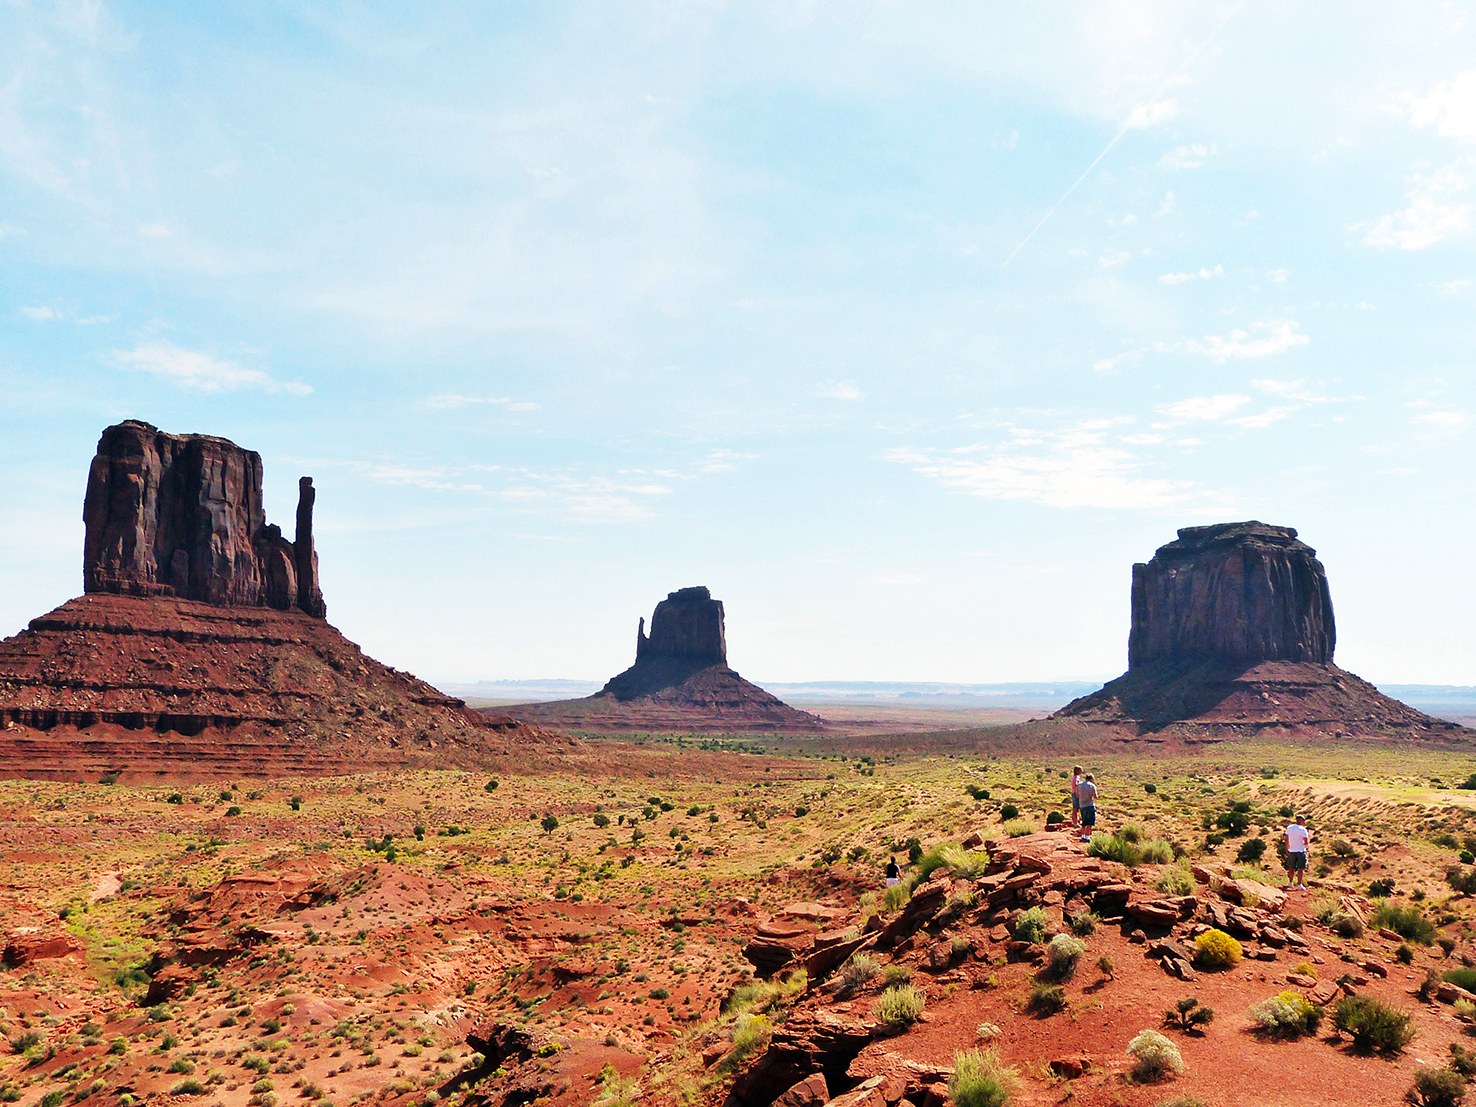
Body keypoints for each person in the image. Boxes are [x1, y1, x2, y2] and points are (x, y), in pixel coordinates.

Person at [1284, 814, 1311, 890]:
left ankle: (1290, 883)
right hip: (1300, 850)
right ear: (1301, 820)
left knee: (1291, 868)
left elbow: (1286, 839)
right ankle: (1299, 885)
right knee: (1300, 868)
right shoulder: (1303, 830)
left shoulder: (1289, 828)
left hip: (1292, 850)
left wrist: (1287, 848)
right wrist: (1306, 848)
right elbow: (1305, 841)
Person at [1077, 773, 1098, 843]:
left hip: (1082, 805)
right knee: (1090, 822)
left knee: (1084, 822)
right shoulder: (1092, 786)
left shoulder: (1079, 785)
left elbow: (1077, 794)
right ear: (1091, 779)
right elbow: (1095, 796)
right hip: (1090, 805)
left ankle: (1082, 836)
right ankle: (1087, 837)